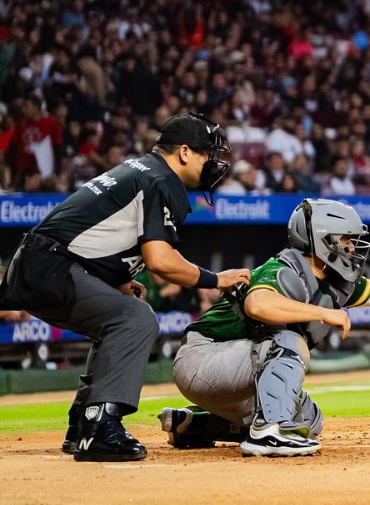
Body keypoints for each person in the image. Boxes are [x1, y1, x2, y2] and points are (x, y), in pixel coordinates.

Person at [158, 199, 370, 457]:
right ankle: (267, 434)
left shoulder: (334, 281)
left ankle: (195, 426)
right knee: (288, 339)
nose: (353, 248)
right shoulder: (283, 268)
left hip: (233, 374)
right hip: (201, 359)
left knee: (309, 419)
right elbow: (257, 305)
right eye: (346, 240)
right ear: (323, 240)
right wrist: (324, 314)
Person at [0, 113, 251, 462]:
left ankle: (83, 425)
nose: (211, 162)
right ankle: (100, 425)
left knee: (120, 316)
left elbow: (100, 231)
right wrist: (216, 279)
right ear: (183, 152)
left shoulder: (141, 170)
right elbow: (161, 259)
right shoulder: (162, 180)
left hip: (42, 262)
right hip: (51, 266)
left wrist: (117, 280)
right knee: (135, 319)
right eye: (207, 153)